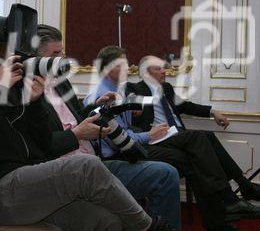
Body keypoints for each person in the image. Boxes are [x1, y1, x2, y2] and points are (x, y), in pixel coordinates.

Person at [0, 41, 174, 231]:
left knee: (105, 221)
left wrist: (35, 102)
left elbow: (43, 142)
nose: (4, 71)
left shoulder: (13, 91)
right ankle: (148, 226)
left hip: (31, 182)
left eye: (7, 64)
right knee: (85, 166)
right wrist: (0, 90)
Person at [84, 47, 260, 231]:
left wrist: (131, 107)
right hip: (130, 149)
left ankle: (225, 211)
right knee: (197, 151)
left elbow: (180, 106)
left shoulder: (123, 90)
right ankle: (227, 207)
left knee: (199, 148)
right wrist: (148, 133)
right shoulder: (115, 92)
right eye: (123, 63)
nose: (129, 67)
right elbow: (117, 137)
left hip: (153, 140)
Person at [36, 25, 181, 230]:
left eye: (63, 52)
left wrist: (97, 105)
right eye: (56, 53)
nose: (63, 58)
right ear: (36, 59)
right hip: (66, 172)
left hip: (95, 161)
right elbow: (38, 146)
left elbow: (79, 115)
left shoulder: (62, 83)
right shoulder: (28, 94)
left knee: (167, 173)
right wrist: (76, 134)